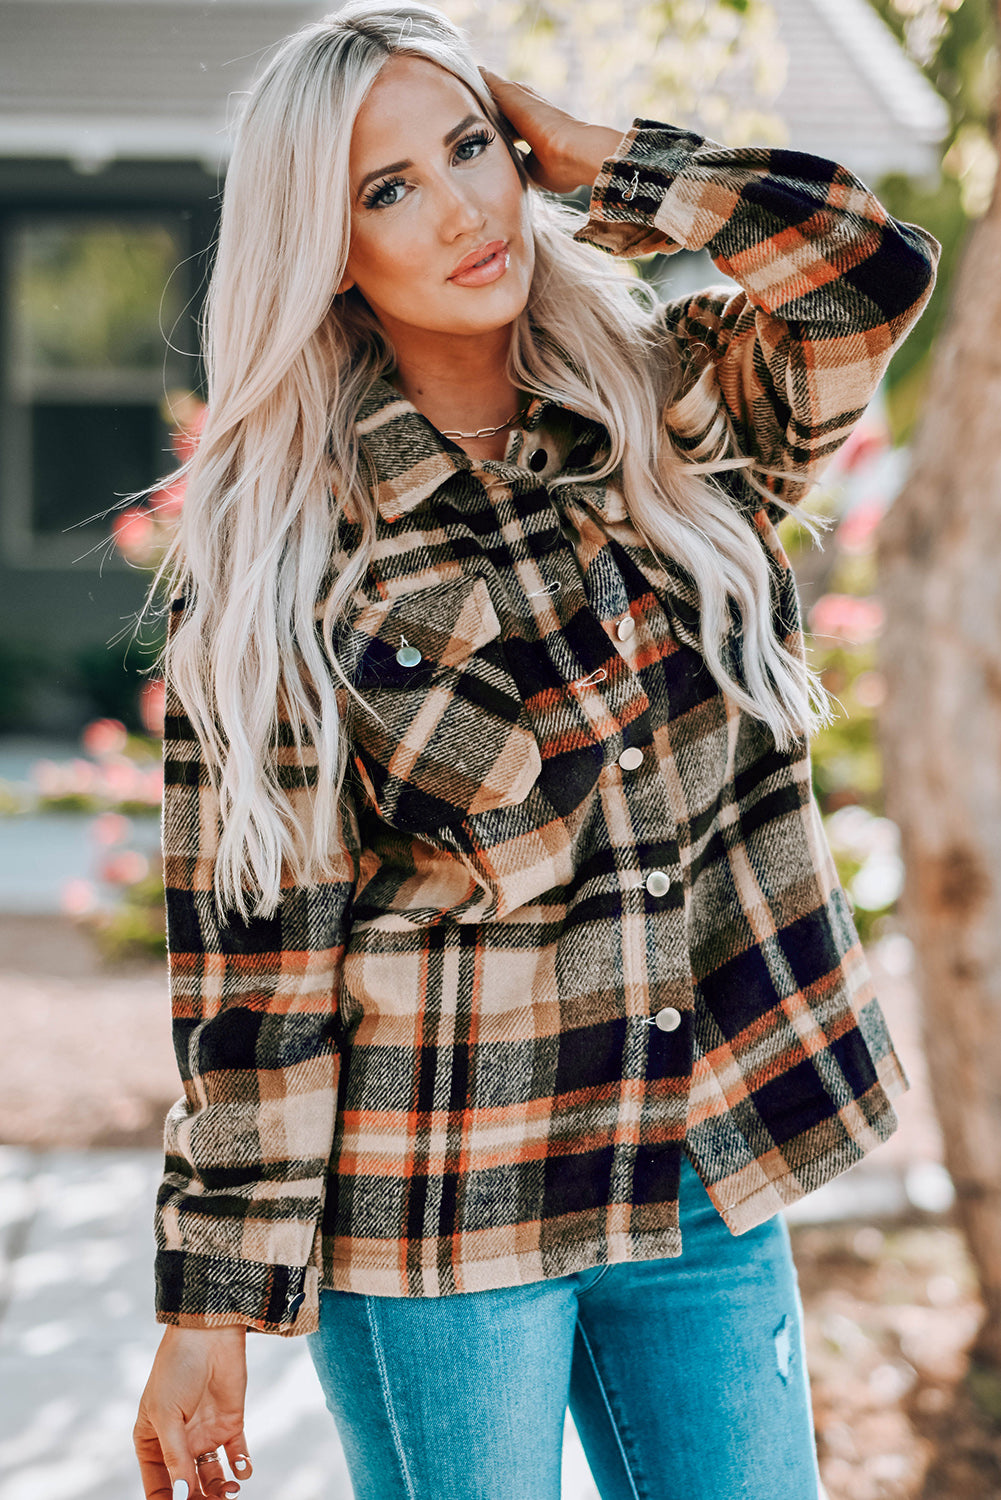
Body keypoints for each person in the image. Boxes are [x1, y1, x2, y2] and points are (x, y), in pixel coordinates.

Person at [132, 3, 941, 1497]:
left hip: (698, 1166)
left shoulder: (668, 414)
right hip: (446, 1215)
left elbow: (864, 273)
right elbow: (260, 969)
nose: (459, 211)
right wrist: (209, 1305)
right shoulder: (290, 564)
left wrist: (609, 163)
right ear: (327, 248)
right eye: (389, 190)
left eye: (468, 150)